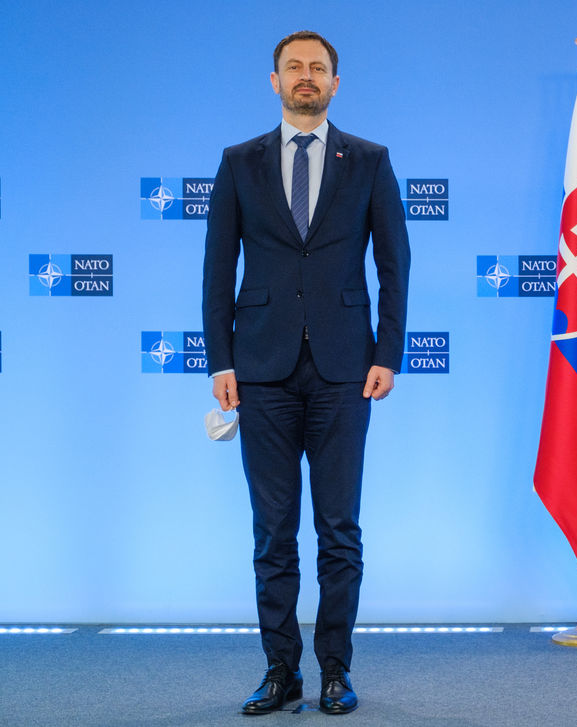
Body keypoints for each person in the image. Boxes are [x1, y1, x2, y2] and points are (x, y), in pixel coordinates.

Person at [202, 29, 410, 715]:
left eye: (318, 68)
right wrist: (220, 359)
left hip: (347, 372)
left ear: (335, 83)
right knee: (273, 532)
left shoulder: (371, 161)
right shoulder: (238, 163)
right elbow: (216, 270)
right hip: (259, 371)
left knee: (339, 529)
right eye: (294, 67)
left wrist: (387, 352)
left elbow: (393, 266)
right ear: (274, 81)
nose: (306, 77)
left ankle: (335, 671)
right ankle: (279, 670)